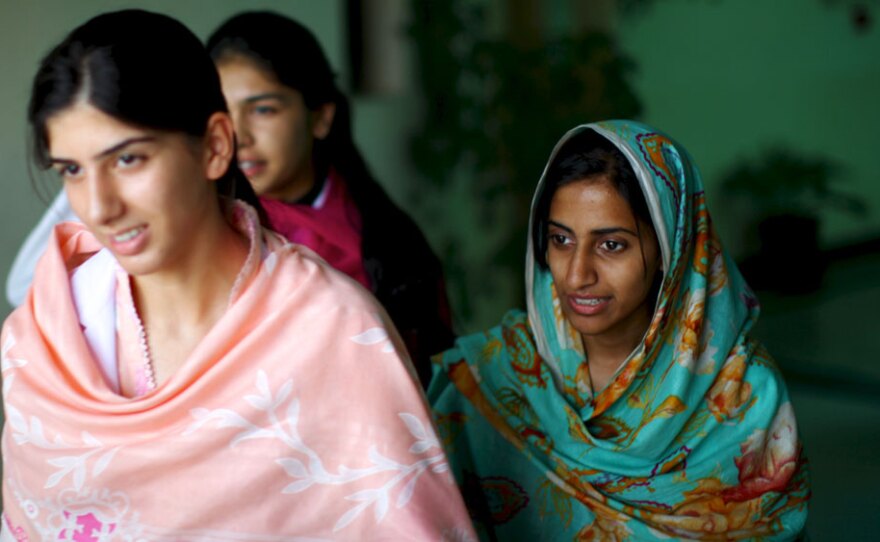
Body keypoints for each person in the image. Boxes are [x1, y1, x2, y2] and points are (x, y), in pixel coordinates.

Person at [0, 10, 475, 540]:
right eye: (71, 169)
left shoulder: (333, 328)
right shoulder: (43, 341)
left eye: (128, 159)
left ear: (215, 146)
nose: (99, 207)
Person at [6, 10, 454, 388]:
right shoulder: (158, 236)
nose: (242, 135)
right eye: (72, 169)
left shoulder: (377, 260)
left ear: (320, 117)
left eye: (263, 109)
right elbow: (32, 286)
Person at [428, 121, 810, 540]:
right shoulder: (491, 380)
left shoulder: (745, 395)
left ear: (670, 248)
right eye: (560, 240)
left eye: (611, 245)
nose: (577, 275)